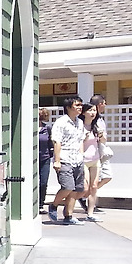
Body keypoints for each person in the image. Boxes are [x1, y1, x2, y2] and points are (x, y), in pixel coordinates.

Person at [48, 96, 86, 225]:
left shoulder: (80, 122)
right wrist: (57, 160)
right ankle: (54, 205)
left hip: (77, 159)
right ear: (69, 107)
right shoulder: (61, 122)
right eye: (77, 105)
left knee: (76, 190)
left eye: (81, 105)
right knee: (67, 187)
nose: (80, 107)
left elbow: (80, 140)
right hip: (65, 158)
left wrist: (81, 156)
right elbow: (57, 141)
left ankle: (68, 216)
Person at [90, 93, 114, 211]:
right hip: (94, 152)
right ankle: (89, 199)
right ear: (100, 104)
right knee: (95, 179)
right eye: (104, 103)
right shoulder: (91, 119)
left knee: (107, 176)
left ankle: (87, 195)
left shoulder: (100, 118)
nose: (105, 105)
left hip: (102, 150)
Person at [79, 102, 102, 220]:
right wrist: (84, 138)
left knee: (94, 187)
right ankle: (72, 199)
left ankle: (90, 213)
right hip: (83, 160)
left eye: (94, 110)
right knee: (85, 188)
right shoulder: (79, 126)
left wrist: (102, 136)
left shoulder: (96, 126)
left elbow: (102, 142)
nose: (93, 113)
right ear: (84, 112)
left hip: (95, 159)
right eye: (90, 110)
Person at [37, 107, 53, 213]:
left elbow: (51, 143)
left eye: (41, 115)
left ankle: (40, 204)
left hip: (45, 159)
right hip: (32, 160)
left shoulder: (47, 129)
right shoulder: (29, 128)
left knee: (43, 182)